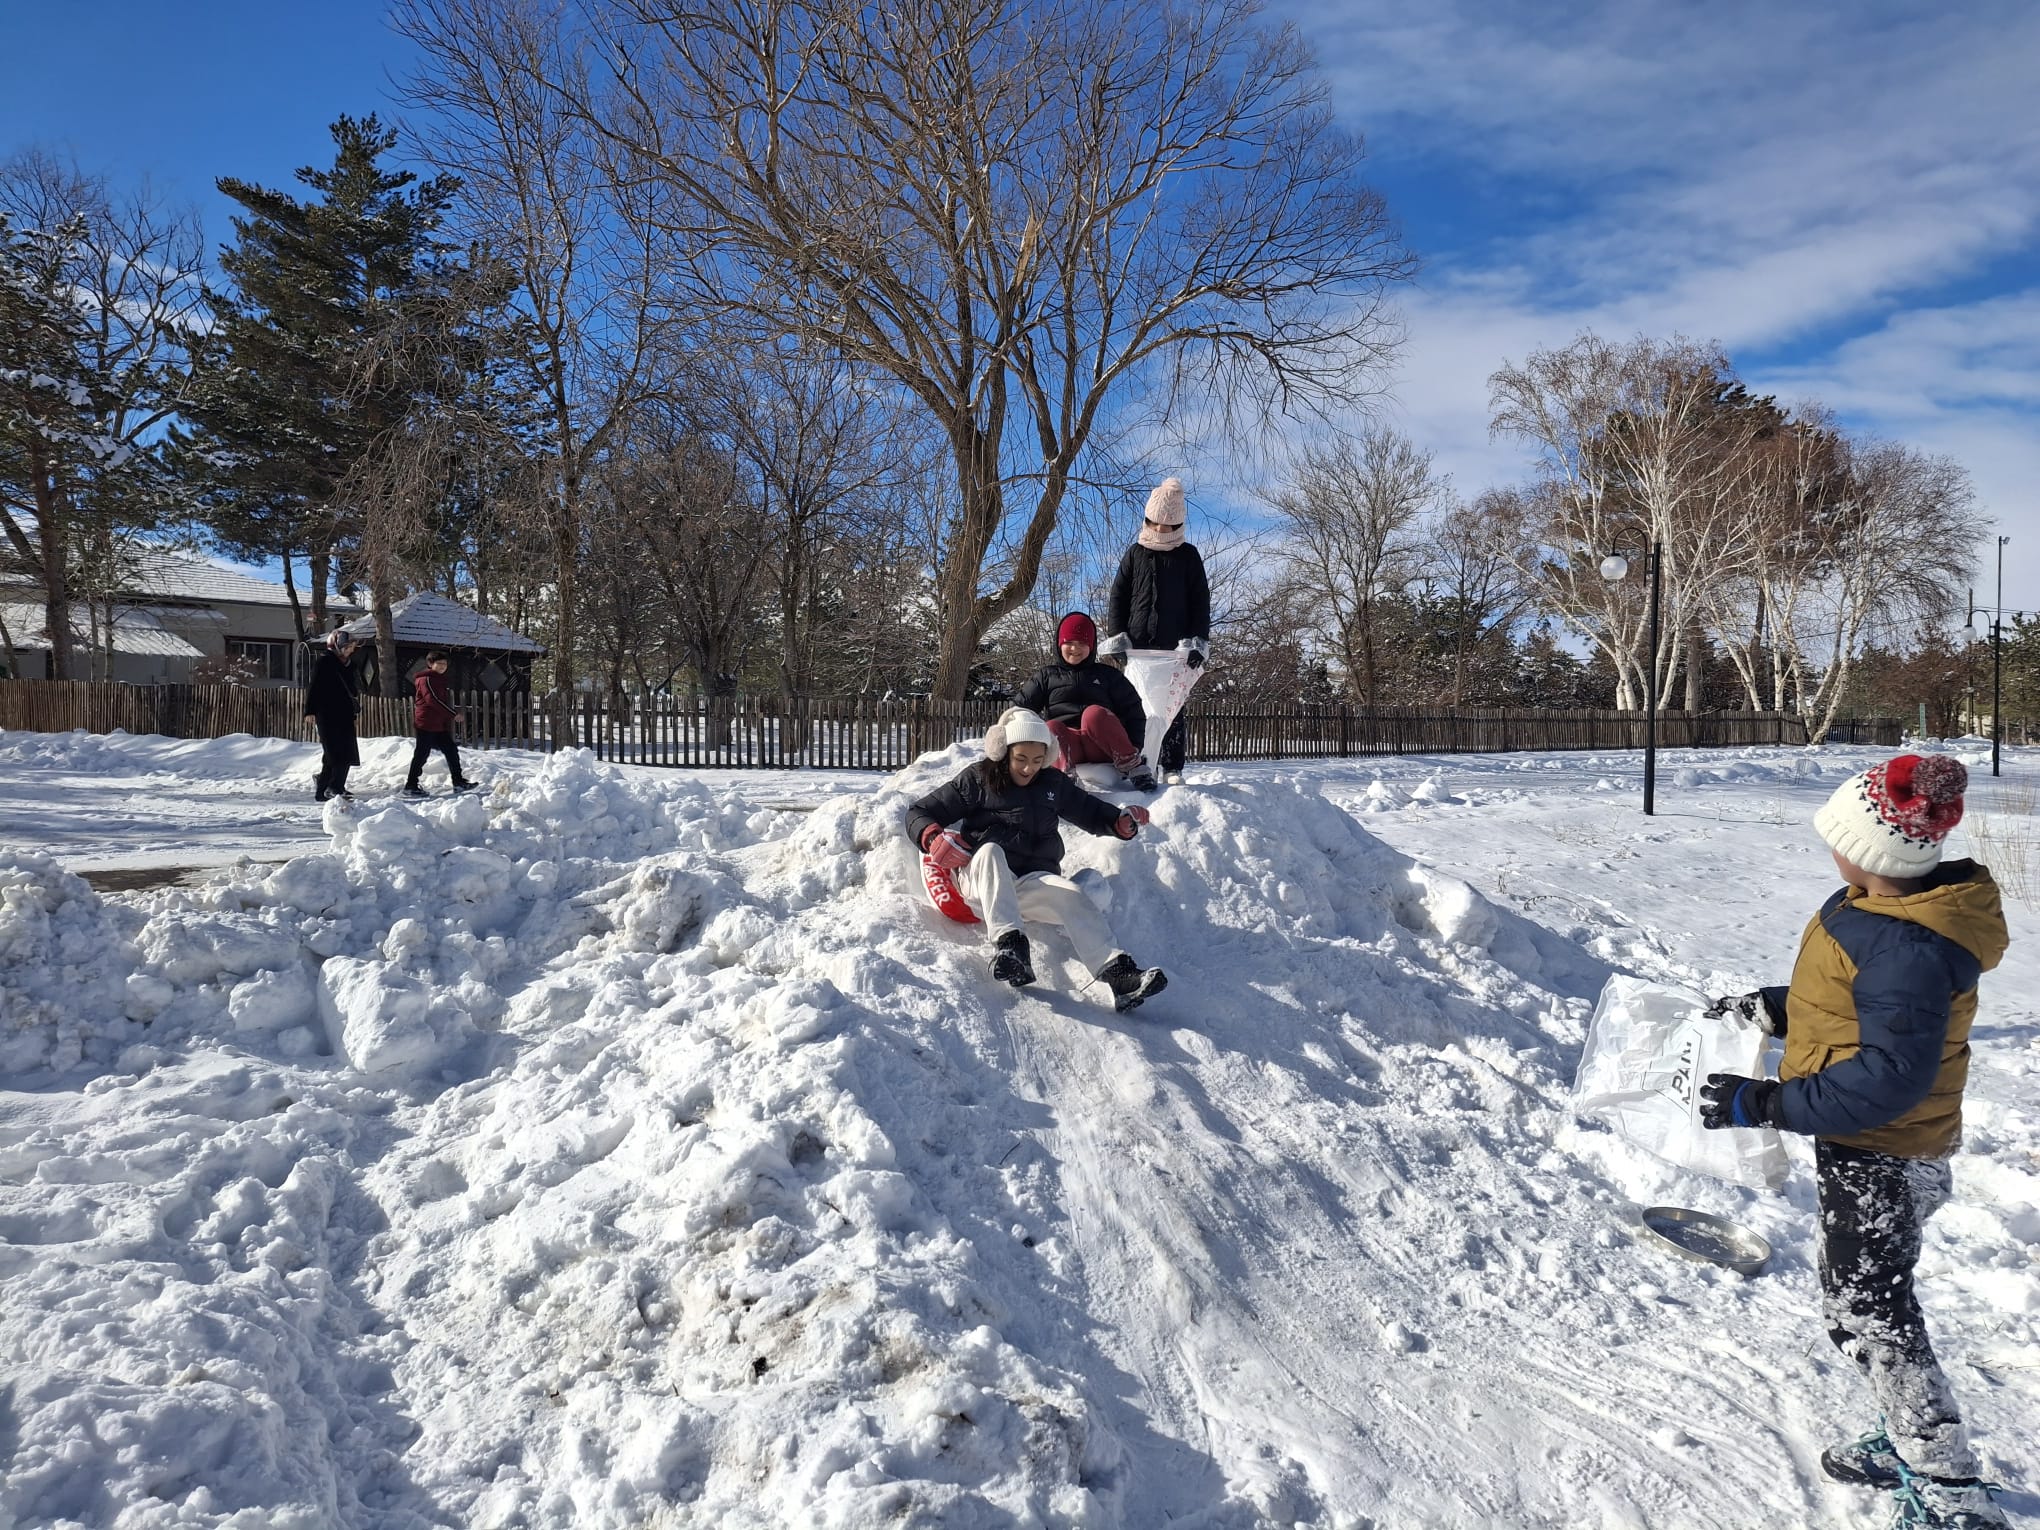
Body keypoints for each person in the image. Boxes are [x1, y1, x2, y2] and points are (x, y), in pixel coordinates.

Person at [1698, 754, 2008, 1530]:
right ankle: (1910, 1431)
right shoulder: (1881, 913)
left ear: (1871, 851)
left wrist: (1765, 1101)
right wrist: (1782, 1008)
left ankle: (1947, 1485)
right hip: (1881, 1147)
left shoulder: (1904, 943)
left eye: (1837, 836)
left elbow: (1890, 1077)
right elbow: (1852, 1010)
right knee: (1860, 1302)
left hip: (1887, 1150)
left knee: (1871, 1309)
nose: (1828, 849)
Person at [906, 706, 1167, 1012]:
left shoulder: (1052, 784)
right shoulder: (978, 779)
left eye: (1037, 759)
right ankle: (1011, 947)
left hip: (1030, 883)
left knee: (1071, 894)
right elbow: (919, 812)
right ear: (1003, 751)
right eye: (1021, 759)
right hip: (982, 882)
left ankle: (1119, 975)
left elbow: (1090, 810)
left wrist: (1118, 823)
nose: (1029, 768)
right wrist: (932, 836)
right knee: (991, 850)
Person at [1106, 476, 1209, 784]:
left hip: (1174, 649)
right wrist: (1117, 638)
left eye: (1168, 527)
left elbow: (1200, 600)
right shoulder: (1135, 553)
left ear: (1178, 526)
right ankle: (1138, 762)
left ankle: (1172, 766)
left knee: (1172, 709)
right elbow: (1118, 595)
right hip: (1138, 647)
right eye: (1156, 525)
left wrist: (1197, 642)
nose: (1161, 532)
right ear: (1147, 520)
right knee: (1136, 708)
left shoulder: (1188, 556)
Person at [1017, 611, 1156, 792]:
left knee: (1094, 714)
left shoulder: (1108, 675)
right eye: (1069, 643)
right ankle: (1064, 778)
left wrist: (1134, 746)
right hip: (1066, 749)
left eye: (1082, 643)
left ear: (1092, 646)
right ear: (1060, 644)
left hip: (1102, 747)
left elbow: (1134, 711)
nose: (1075, 649)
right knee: (1051, 727)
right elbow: (1019, 711)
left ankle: (1133, 766)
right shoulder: (1046, 676)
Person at [403, 651, 475, 798]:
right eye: (439, 664)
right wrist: (453, 714)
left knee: (451, 750)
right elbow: (433, 700)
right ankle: (410, 785)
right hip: (426, 723)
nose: (443, 667)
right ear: (430, 664)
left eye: (445, 664)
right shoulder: (426, 679)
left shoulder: (439, 679)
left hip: (438, 724)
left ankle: (458, 782)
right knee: (422, 754)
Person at [304, 629, 361, 802]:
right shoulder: (325, 662)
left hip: (344, 713)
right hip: (326, 713)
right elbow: (314, 687)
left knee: (344, 751)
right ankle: (334, 787)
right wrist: (310, 711)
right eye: (347, 646)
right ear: (336, 645)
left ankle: (323, 789)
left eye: (352, 647)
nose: (350, 650)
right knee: (335, 753)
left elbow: (352, 687)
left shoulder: (349, 664)